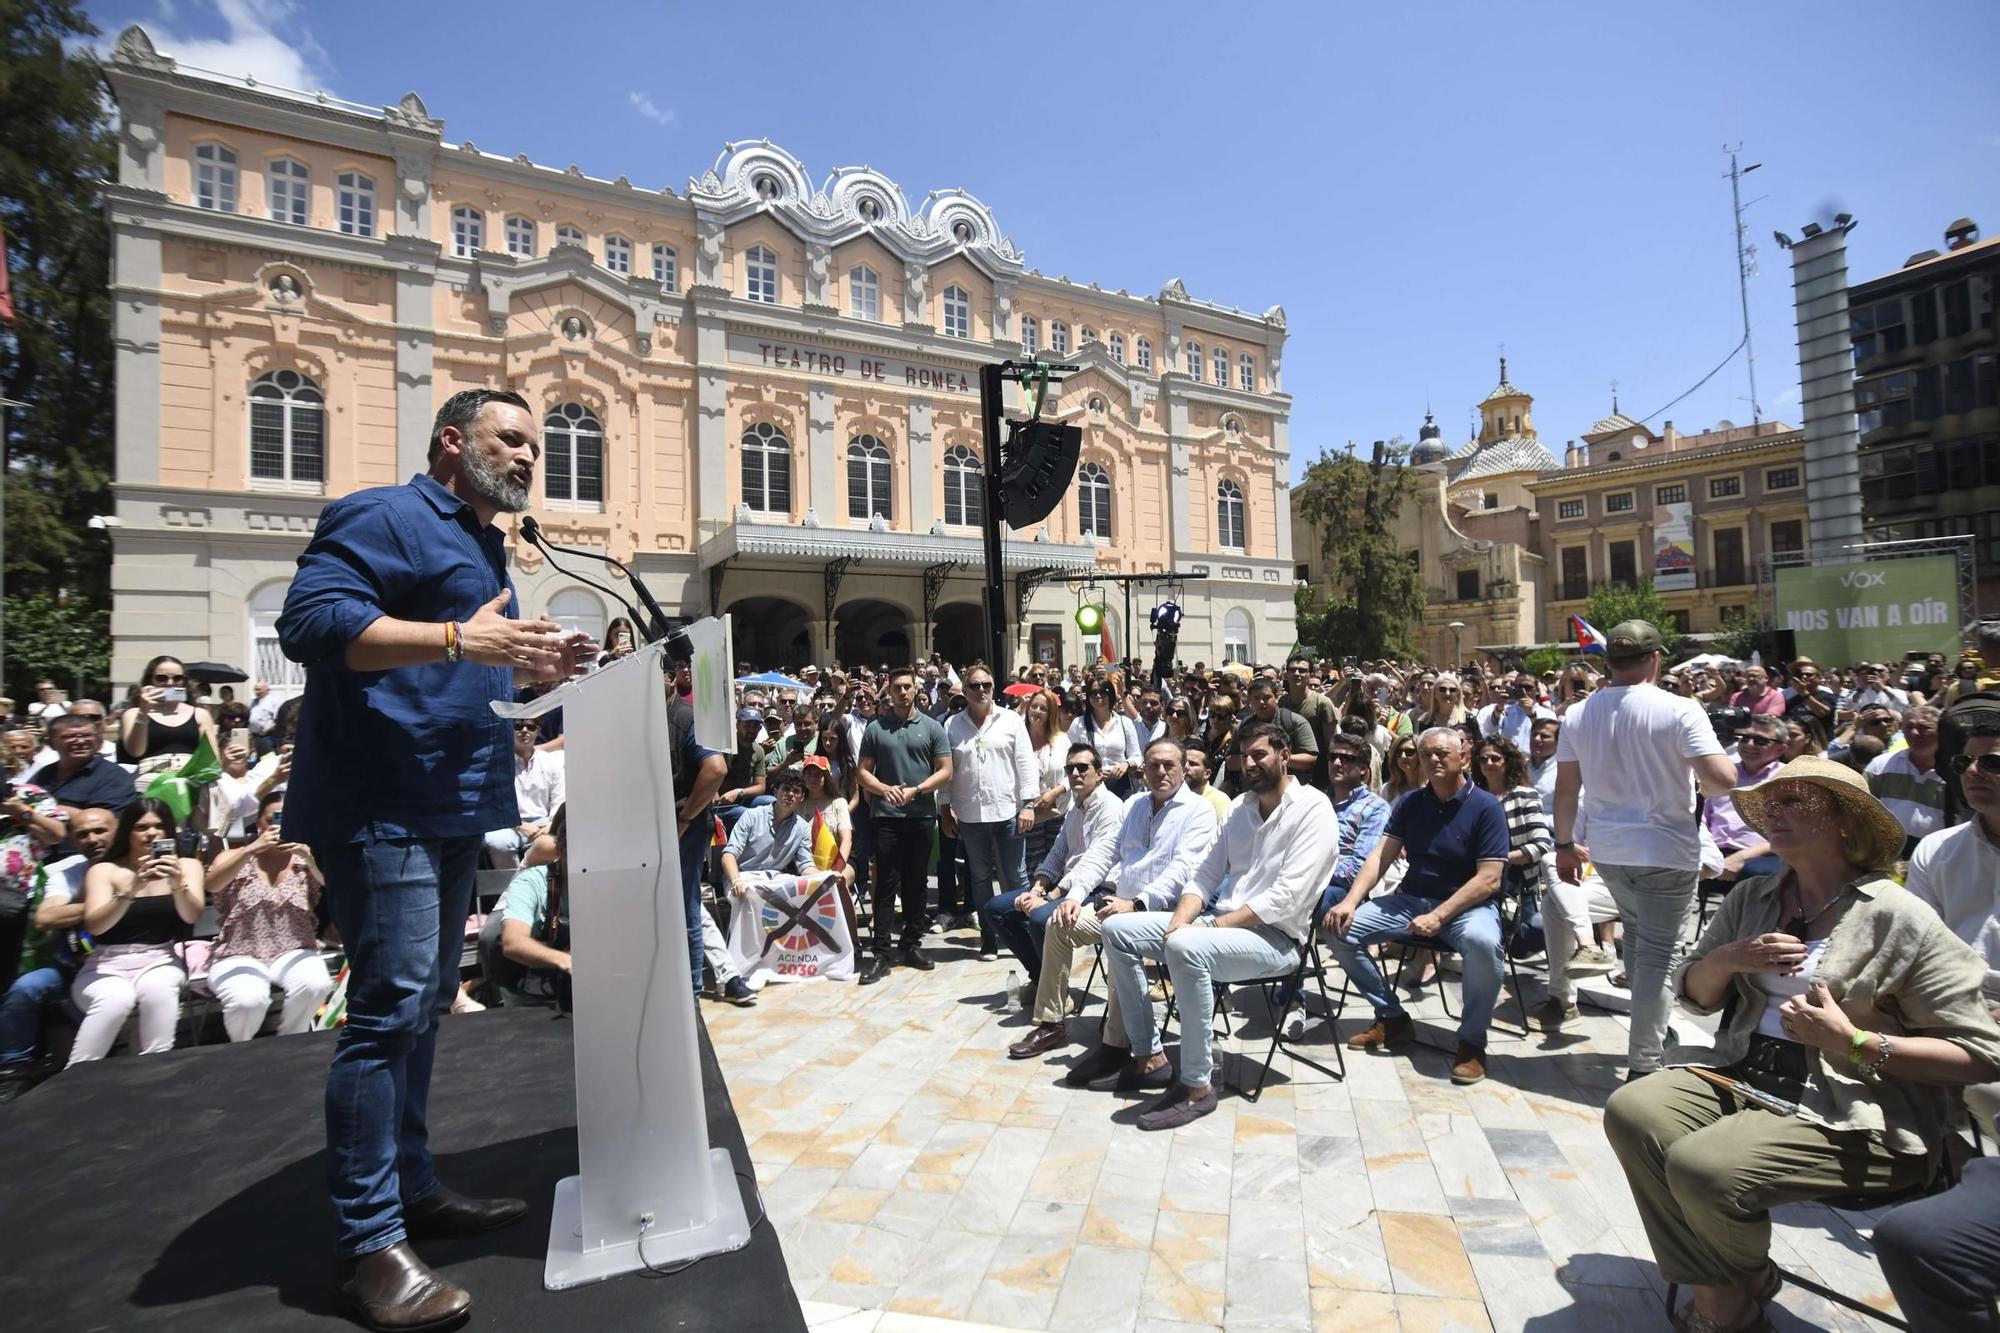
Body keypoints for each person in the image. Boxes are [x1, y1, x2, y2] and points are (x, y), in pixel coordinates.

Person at [277, 386, 596, 1329]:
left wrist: (526, 666)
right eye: (513, 439)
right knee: (387, 1014)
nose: (532, 457)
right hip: (386, 807)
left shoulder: (485, 542)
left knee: (419, 1010)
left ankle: (412, 1190)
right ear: (453, 441)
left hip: (453, 805)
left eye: (538, 445)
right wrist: (466, 635)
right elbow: (310, 624)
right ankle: (369, 1242)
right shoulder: (386, 513)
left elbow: (447, 663)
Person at [1603, 756, 2000, 1333]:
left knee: (1702, 1167)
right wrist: (1727, 959)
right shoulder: (1756, 897)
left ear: (1844, 820)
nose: (1774, 814)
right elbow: (1694, 994)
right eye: (1770, 803)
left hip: (1857, 1105)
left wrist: (1857, 1041)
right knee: (1633, 1109)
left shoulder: (1899, 917)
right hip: (1743, 1070)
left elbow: (1981, 1054)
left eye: (1794, 801)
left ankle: (1722, 1304)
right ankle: (1739, 1282)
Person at [1098, 722, 1341, 1127]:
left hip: (1276, 940)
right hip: (1221, 927)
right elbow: (1204, 875)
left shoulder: (1313, 809)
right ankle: (1149, 1055)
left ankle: (1197, 1087)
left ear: (1284, 756)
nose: (1250, 763)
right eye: (1244, 755)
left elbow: (1285, 898)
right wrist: (1179, 922)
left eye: (1259, 754)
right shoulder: (1240, 807)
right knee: (1118, 929)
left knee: (1184, 947)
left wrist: (1206, 930)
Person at [1554, 620, 1737, 1077]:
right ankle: (1645, 1063)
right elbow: (1722, 781)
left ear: (1608, 663)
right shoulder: (1680, 709)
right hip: (1664, 850)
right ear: (1656, 659)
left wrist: (1562, 844)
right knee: (1659, 954)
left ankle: (1652, 1027)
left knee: (1639, 939)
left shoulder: (1577, 714)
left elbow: (1564, 791)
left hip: (1609, 849)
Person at [1009, 737, 1218, 1071]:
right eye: (1153, 765)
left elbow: (1183, 871)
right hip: (1119, 904)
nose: (1161, 771)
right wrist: (1074, 897)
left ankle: (1116, 1046)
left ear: (1184, 769)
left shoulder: (1199, 811)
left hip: (1168, 913)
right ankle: (1052, 1023)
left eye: (1169, 765)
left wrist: (1135, 903)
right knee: (1058, 924)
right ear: (1144, 770)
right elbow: (1103, 854)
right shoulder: (1134, 804)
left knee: (1119, 933)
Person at [1322, 726, 1510, 1084]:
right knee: (1340, 929)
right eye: (1426, 754)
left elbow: (1489, 879)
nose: (1433, 759)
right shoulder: (1411, 803)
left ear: (1463, 758)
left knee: (1484, 944)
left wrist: (1439, 915)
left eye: (1442, 753)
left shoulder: (1486, 807)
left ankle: (1471, 1041)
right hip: (1412, 899)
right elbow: (1381, 855)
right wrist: (1350, 901)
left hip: (1467, 906)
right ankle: (1391, 1016)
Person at [67, 799, 205, 1066]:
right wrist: (130, 888)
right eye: (141, 827)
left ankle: (154, 1069)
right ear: (127, 832)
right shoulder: (104, 871)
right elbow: (96, 926)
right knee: (114, 1000)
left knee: (159, 990)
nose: (151, 834)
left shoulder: (188, 867)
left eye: (158, 826)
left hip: (160, 958)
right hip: (106, 963)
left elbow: (191, 916)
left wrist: (177, 884)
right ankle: (77, 1073)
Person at [983, 743, 1123, 999]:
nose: (1076, 773)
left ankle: (1056, 994)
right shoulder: (1075, 806)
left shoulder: (1111, 808)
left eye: (1083, 768)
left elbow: (1092, 864)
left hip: (1095, 889)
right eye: (1070, 769)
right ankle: (1042, 980)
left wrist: (1048, 897)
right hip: (1063, 886)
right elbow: (1058, 853)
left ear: (1100, 773)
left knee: (1040, 918)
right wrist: (1038, 888)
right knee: (996, 909)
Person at [0, 807, 116, 1100]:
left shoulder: (133, 866)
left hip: (122, 966)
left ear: (118, 830)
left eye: (99, 831)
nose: (91, 839)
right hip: (73, 968)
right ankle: (14, 1068)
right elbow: (45, 918)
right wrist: (104, 903)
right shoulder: (67, 872)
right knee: (26, 987)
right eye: (82, 835)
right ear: (74, 841)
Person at [202, 794, 334, 1041]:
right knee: (248, 1000)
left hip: (294, 949)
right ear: (259, 823)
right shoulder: (237, 856)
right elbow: (212, 884)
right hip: (239, 952)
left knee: (316, 984)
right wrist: (251, 849)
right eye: (271, 819)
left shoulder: (303, 858)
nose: (279, 826)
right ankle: (243, 1050)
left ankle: (289, 1044)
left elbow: (331, 886)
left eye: (287, 819)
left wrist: (309, 859)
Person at [856, 666, 952, 985]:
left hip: (921, 815)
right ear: (889, 690)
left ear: (915, 689)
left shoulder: (931, 727)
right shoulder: (875, 728)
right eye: (896, 687)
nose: (902, 692)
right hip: (885, 816)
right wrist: (886, 790)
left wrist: (918, 789)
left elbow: (945, 769)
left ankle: (911, 944)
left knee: (917, 883)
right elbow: (863, 772)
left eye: (907, 686)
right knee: (885, 884)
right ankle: (881, 953)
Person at [938, 664, 1037, 962]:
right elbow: (947, 771)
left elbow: (1025, 763)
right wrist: (944, 807)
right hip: (970, 814)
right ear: (964, 691)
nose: (981, 690)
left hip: (1007, 809)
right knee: (980, 878)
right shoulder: (952, 725)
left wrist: (1028, 804)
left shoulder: (1010, 721)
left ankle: (1025, 932)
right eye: (975, 686)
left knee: (1015, 876)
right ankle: (989, 937)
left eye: (987, 685)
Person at [1701, 713, 1787, 888]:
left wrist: (1740, 858)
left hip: (1761, 856)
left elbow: (1787, 832)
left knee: (1755, 873)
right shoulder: (1724, 774)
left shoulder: (1787, 780)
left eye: (1760, 741)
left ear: (1781, 749)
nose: (1749, 744)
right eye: (1744, 738)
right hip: (1712, 849)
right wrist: (1706, 851)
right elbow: (1701, 818)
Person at [27, 713, 136, 841]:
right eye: (69, 736)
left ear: (99, 742)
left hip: (83, 854)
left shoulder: (113, 776)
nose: (80, 741)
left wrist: (51, 809)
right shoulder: (44, 774)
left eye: (87, 735)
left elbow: (106, 822)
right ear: (50, 743)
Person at [117, 656, 219, 779]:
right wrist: (143, 713)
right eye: (161, 678)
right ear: (150, 681)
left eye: (177, 678)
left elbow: (212, 757)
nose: (170, 683)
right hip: (150, 781)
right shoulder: (133, 713)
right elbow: (135, 751)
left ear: (184, 682)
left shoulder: (200, 714)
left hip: (190, 779)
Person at [1865, 703, 1945, 853]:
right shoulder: (1880, 766)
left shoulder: (1953, 773)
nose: (1915, 733)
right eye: (1909, 727)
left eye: (1924, 728)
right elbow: (1862, 809)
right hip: (1887, 853)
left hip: (1937, 854)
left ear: (1941, 731)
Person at [1019, 688, 1070, 876]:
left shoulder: (1062, 740)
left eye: (1043, 708)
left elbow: (1071, 775)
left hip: (1057, 811)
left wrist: (1054, 792)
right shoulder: (1019, 739)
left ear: (1051, 714)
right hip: (1029, 812)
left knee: (1057, 863)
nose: (1037, 711)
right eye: (1034, 707)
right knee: (1032, 865)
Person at [1069, 681, 1143, 799]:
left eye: (1103, 692)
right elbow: (1070, 756)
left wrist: (1125, 764)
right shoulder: (1078, 724)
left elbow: (1137, 756)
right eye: (1094, 693)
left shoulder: (1125, 723)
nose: (1098, 696)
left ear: (1111, 695)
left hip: (1120, 786)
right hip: (1090, 786)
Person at [1281, 653, 1338, 785]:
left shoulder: (1322, 702)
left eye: (1302, 670)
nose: (1297, 673)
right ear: (1286, 674)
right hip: (1288, 772)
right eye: (1292, 670)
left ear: (1310, 675)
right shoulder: (1282, 702)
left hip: (1317, 774)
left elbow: (1331, 744)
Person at [714, 709, 773, 834]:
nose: (752, 730)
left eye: (756, 726)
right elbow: (712, 775)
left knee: (772, 802)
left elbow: (760, 786)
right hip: (721, 804)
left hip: (742, 798)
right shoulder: (724, 745)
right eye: (747, 725)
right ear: (738, 725)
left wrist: (738, 792)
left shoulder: (758, 751)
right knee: (746, 815)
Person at [1182, 740, 1231, 825]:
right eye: (1183, 763)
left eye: (1192, 764)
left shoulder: (1219, 801)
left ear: (1207, 773)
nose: (1186, 767)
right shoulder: (1170, 796)